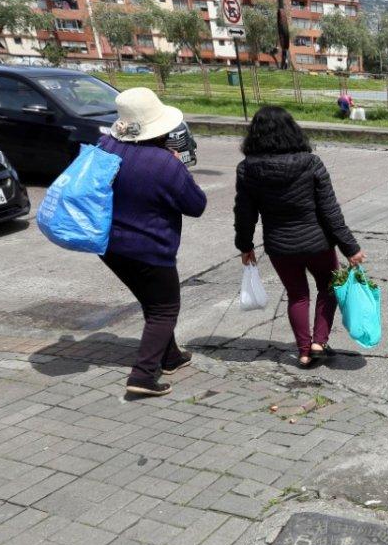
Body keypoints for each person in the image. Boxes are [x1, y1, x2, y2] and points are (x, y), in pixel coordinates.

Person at [234, 106, 366, 368]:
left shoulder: (247, 169)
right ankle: (319, 342)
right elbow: (330, 211)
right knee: (328, 289)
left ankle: (304, 352)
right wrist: (350, 248)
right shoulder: (311, 163)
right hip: (318, 243)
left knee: (297, 296)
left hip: (280, 246)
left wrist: (245, 245)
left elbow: (244, 213)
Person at [98, 88, 207, 396]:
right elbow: (196, 205)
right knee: (164, 308)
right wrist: (178, 168)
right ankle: (143, 375)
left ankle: (170, 356)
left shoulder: (105, 145)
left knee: (152, 300)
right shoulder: (164, 164)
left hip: (109, 245)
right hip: (149, 248)